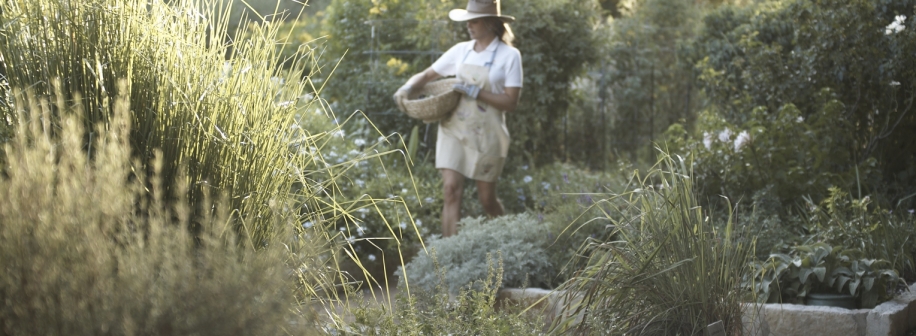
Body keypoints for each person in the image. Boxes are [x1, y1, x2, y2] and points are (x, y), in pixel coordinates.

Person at [393, 0, 522, 237]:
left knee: (487, 200)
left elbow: (511, 103)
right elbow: (427, 75)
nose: (468, 26)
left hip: (488, 134)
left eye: (473, 20)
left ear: (491, 23)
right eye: (467, 20)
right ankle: (448, 254)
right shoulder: (461, 50)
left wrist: (478, 92)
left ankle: (509, 239)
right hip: (453, 128)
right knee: (450, 190)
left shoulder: (509, 56)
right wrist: (406, 88)